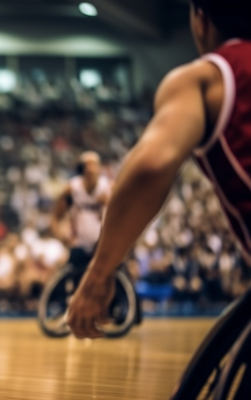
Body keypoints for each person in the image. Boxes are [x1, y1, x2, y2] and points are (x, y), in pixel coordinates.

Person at [67, 0, 251, 338]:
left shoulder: (206, 79)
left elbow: (151, 166)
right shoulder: (75, 189)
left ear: (200, 19)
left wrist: (100, 274)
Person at [50, 151, 111, 270]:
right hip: (78, 245)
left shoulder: (108, 188)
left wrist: (109, 204)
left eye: (93, 164)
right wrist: (63, 238)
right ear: (81, 169)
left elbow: (121, 218)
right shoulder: (72, 189)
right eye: (87, 165)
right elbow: (55, 217)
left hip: (101, 246)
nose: (90, 169)